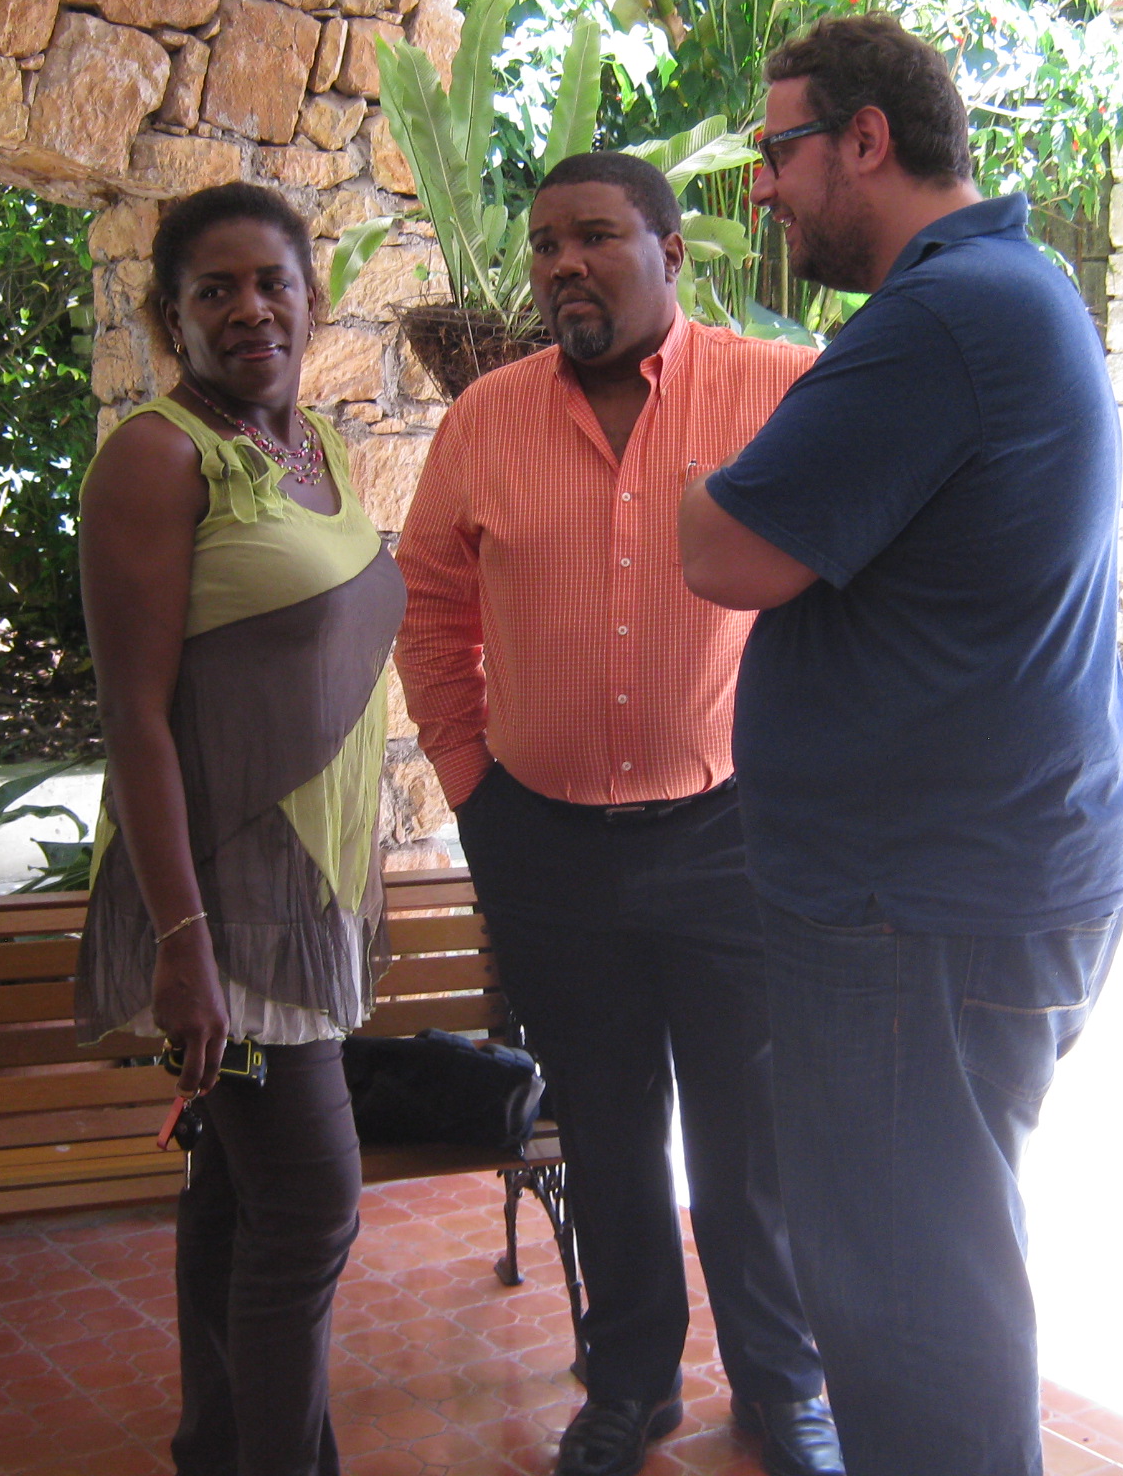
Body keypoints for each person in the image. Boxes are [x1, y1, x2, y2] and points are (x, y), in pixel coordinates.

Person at [676, 16, 1123, 1476]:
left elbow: (725, 550)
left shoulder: (939, 319)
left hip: (919, 913)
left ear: (866, 140)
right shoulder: (1007, 290)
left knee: (910, 1309)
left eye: (778, 150)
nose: (764, 187)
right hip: (957, 891)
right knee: (927, 1271)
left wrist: (701, 474)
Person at [395, 152, 842, 1476]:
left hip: (730, 836)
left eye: (595, 236)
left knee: (752, 1134)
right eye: (545, 245)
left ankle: (782, 1384)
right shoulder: (486, 419)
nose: (564, 265)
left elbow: (857, 575)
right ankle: (630, 1381)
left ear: (670, 252)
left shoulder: (780, 390)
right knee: (601, 1128)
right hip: (547, 845)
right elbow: (431, 605)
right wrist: (473, 786)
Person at [75, 182, 404, 1476]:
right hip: (228, 905)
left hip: (307, 889)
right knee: (312, 1207)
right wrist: (182, 941)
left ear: (313, 298)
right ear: (172, 318)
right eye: (214, 290)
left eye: (272, 282)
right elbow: (135, 715)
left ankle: (216, 1446)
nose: (250, 308)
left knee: (238, 1192)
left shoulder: (313, 444)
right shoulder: (156, 458)